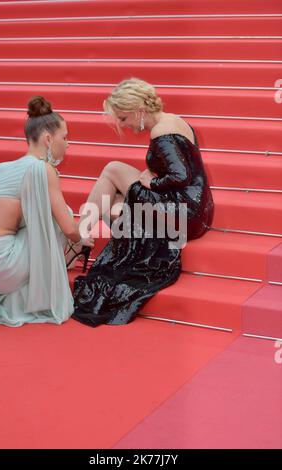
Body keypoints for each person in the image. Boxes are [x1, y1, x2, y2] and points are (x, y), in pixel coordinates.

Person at [72, 78, 214, 327]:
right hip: (196, 210)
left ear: (138, 109)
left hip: (182, 213)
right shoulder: (173, 120)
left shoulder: (161, 131)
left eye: (124, 118)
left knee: (112, 170)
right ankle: (84, 233)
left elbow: (181, 176)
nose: (124, 126)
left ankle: (81, 234)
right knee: (115, 201)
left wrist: (152, 183)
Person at [0, 96, 93, 330]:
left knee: (40, 212)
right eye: (65, 137)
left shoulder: (1, 168)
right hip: (1, 266)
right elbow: (69, 228)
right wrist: (81, 240)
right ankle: (60, 267)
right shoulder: (42, 169)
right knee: (60, 210)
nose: (67, 144)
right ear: (47, 139)